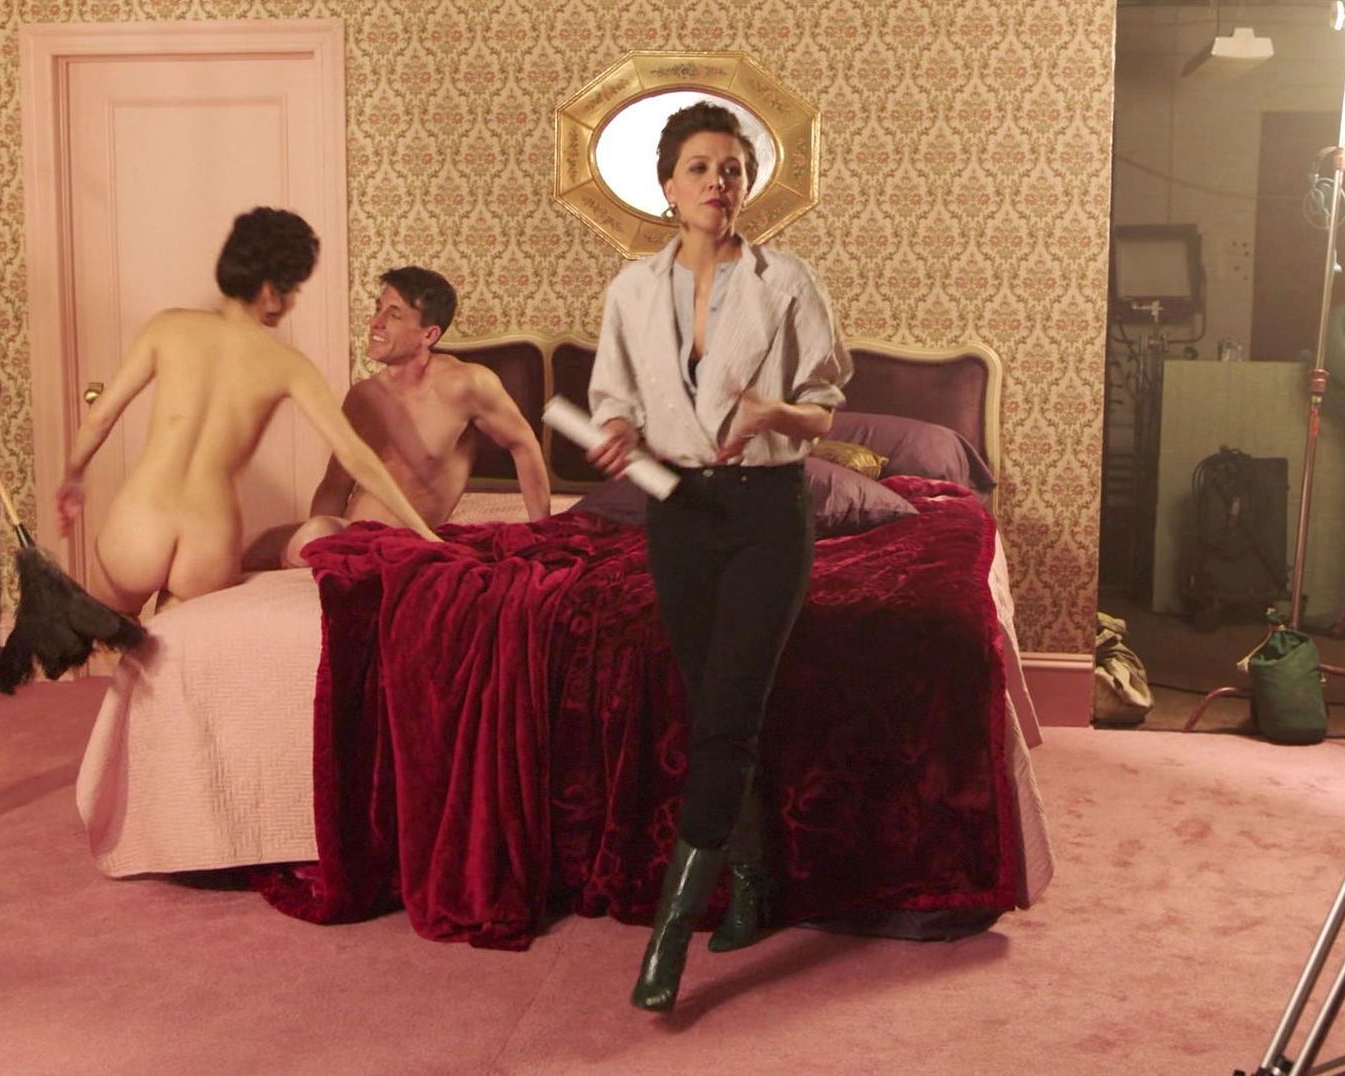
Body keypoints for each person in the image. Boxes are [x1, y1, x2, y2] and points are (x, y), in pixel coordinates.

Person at [586, 101, 851, 1012]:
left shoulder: (789, 282)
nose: (717, 182)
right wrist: (618, 433)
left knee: (727, 714)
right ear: (668, 186)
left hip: (767, 514)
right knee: (713, 710)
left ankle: (668, 940)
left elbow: (824, 410)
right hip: (679, 513)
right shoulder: (630, 290)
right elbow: (614, 399)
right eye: (700, 167)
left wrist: (774, 412)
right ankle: (750, 879)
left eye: (732, 169)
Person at [56, 208, 440, 616]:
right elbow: (356, 456)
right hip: (208, 538)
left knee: (102, 633)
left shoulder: (167, 327)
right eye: (293, 289)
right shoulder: (289, 364)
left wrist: (74, 476)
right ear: (271, 291)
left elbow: (101, 416)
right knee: (174, 651)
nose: (292, 301)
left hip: (142, 519)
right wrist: (424, 532)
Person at [279, 266, 551, 567]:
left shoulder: (463, 384)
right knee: (261, 545)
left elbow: (523, 444)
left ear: (429, 334)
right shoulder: (363, 396)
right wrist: (319, 558)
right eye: (378, 309)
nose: (375, 322)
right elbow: (334, 486)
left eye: (394, 315)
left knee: (312, 534)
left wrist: (542, 534)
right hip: (350, 536)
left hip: (404, 543)